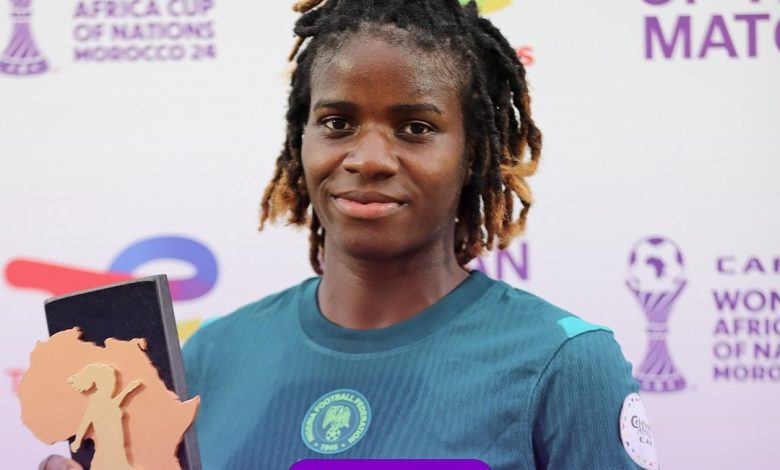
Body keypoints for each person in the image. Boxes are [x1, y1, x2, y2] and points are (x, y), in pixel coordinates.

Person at [43, 0, 655, 469]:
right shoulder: (209, 360)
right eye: (337, 121)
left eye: (415, 127)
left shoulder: (564, 366)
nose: (368, 158)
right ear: (300, 139)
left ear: (472, 153)